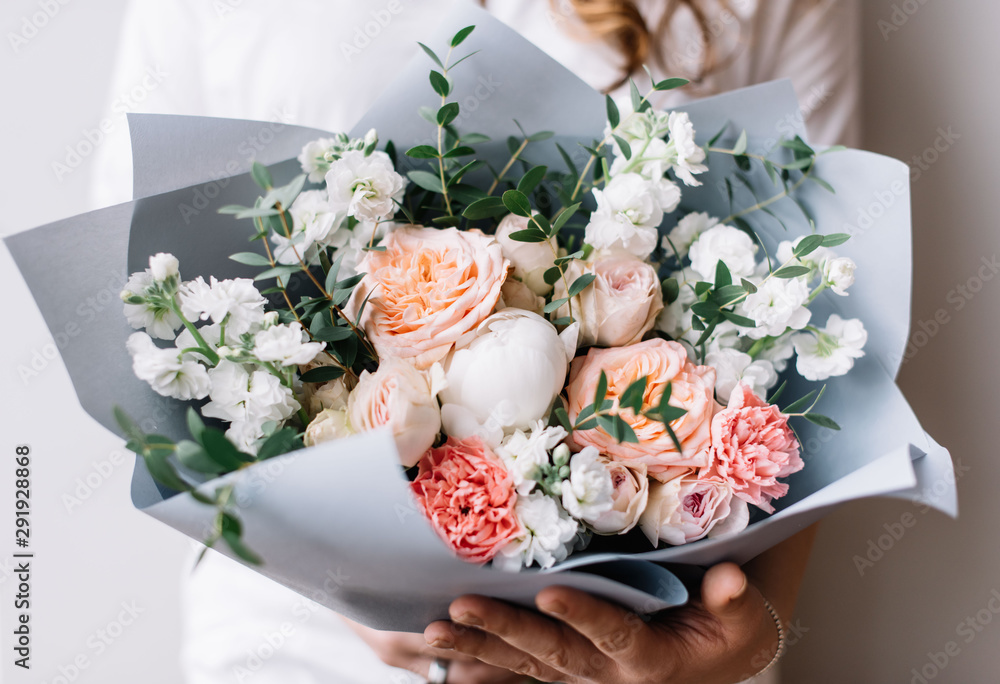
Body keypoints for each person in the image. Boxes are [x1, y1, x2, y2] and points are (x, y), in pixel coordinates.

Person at [93, 1, 860, 681]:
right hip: (294, 646)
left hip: (642, 651)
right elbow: (135, 315)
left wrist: (749, 636)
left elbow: (823, 308)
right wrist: (350, 587)